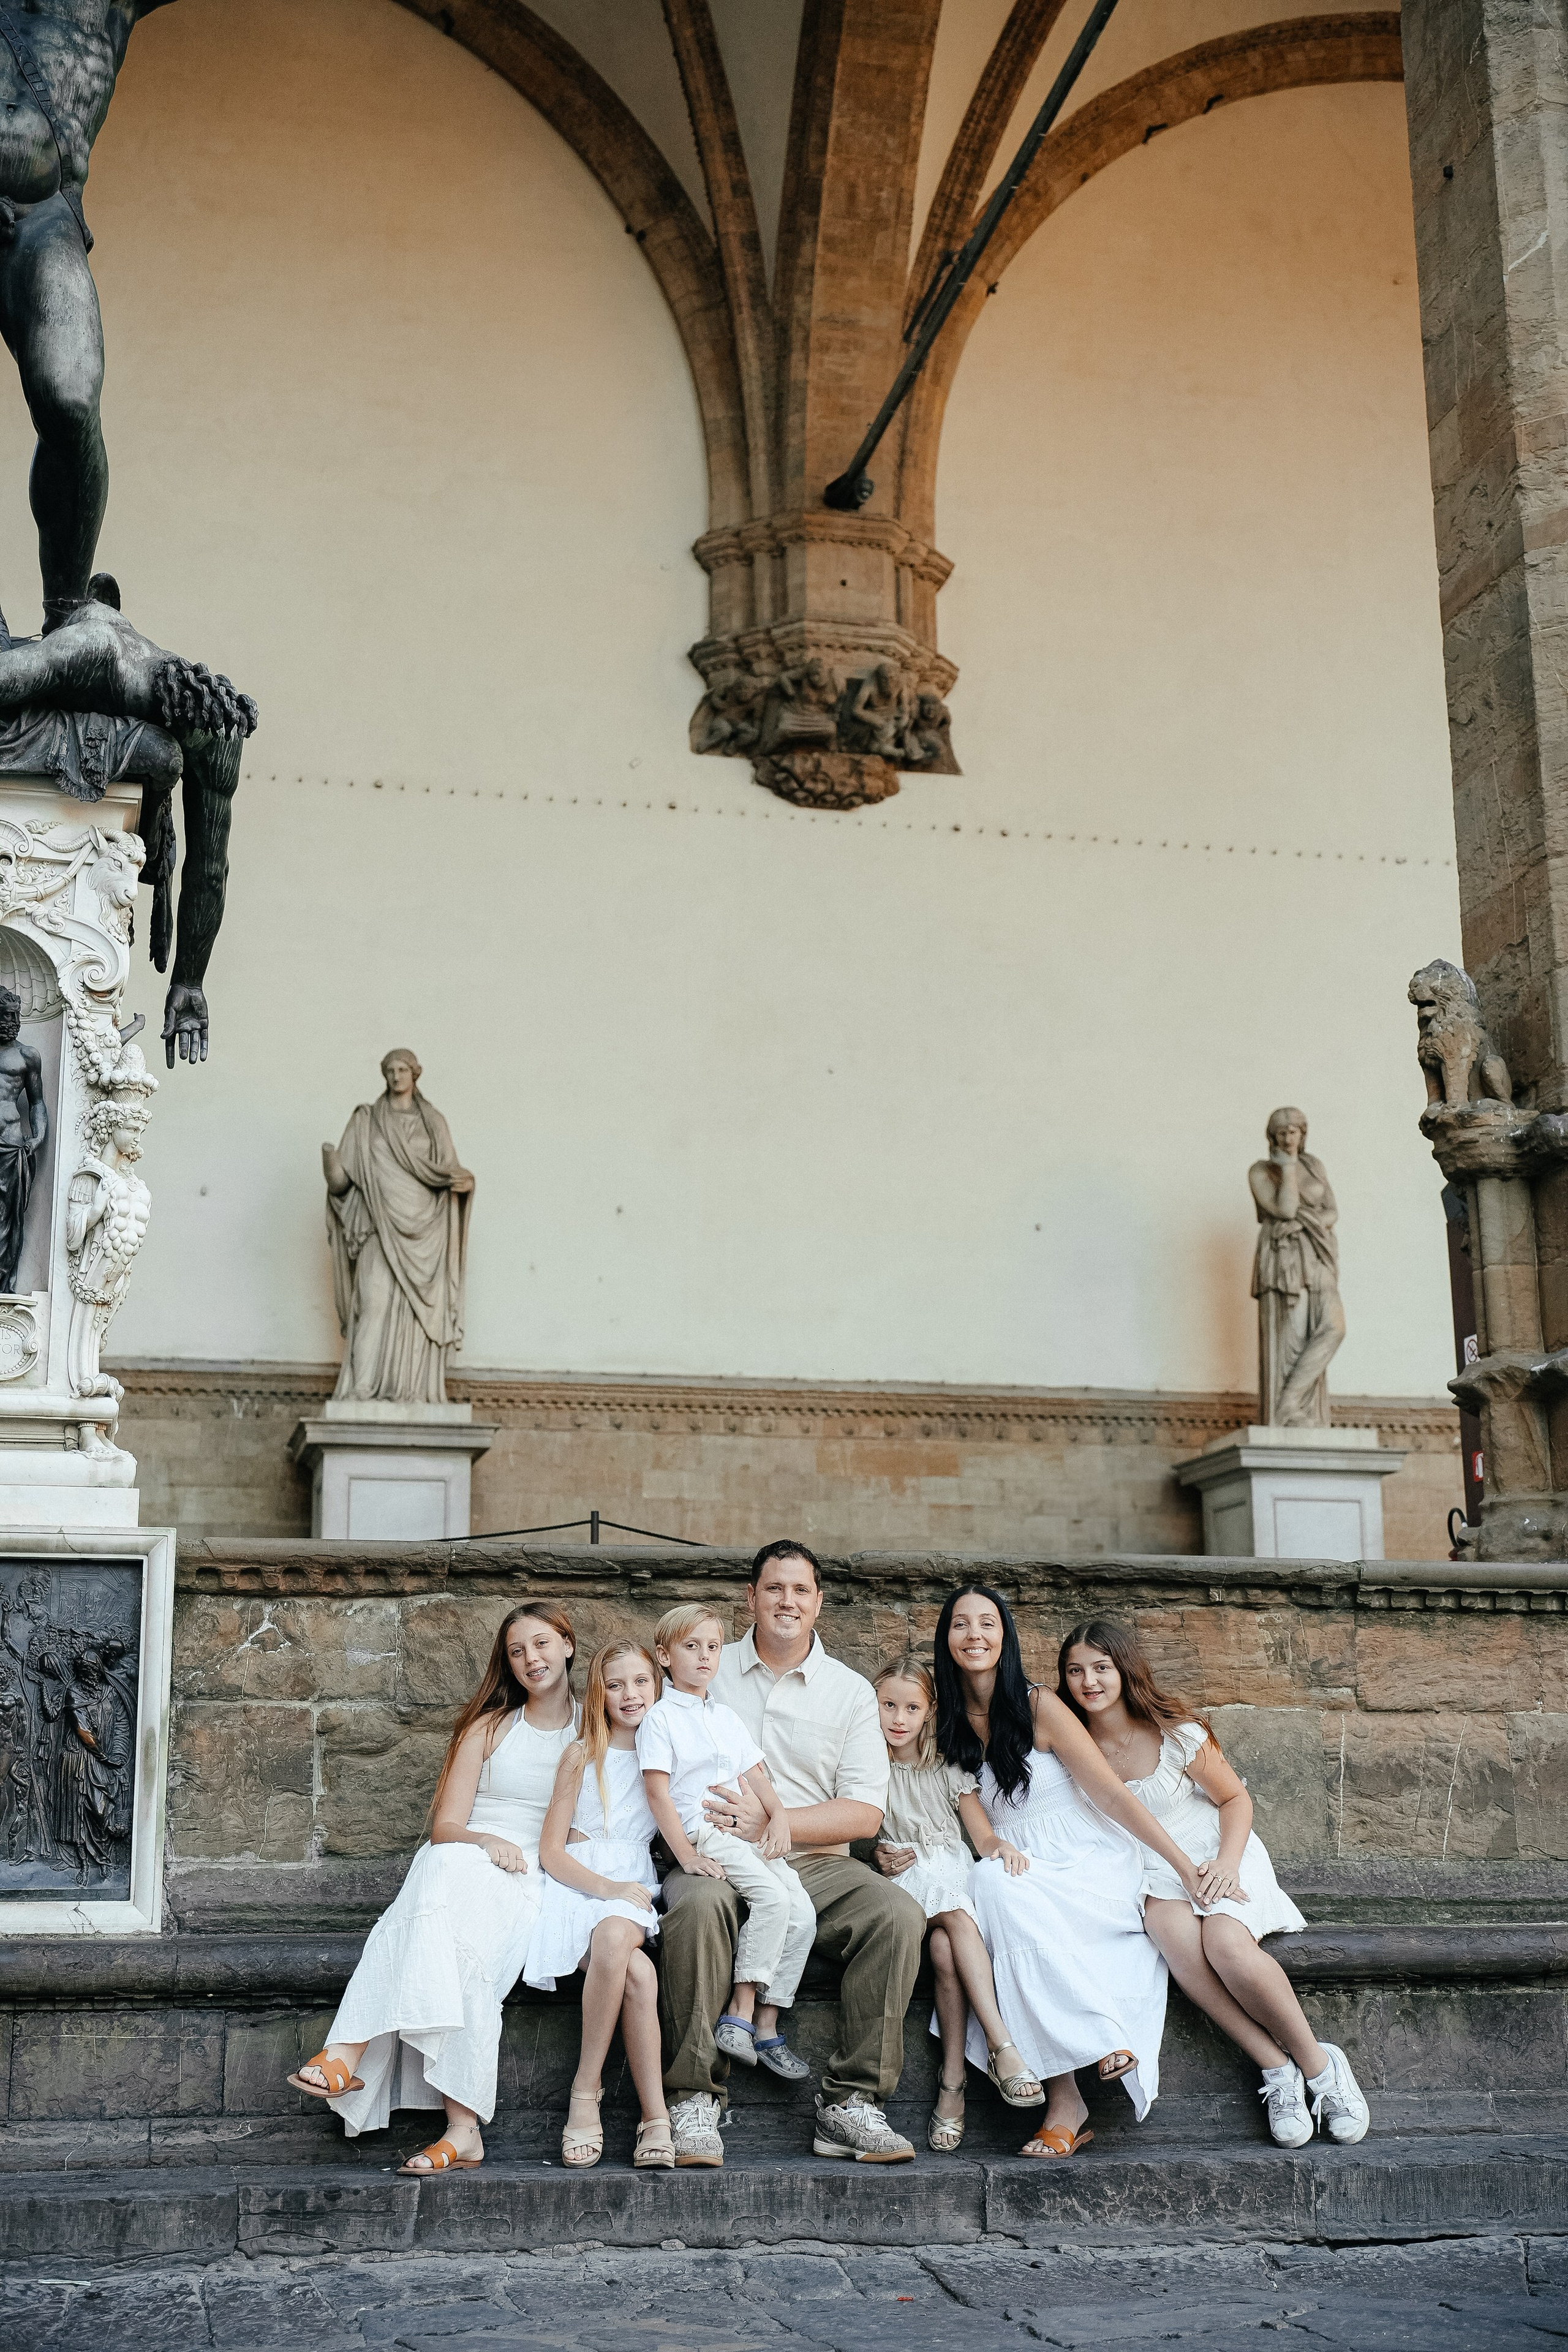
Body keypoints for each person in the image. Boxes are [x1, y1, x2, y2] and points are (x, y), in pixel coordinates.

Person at [284, 1602, 578, 2177]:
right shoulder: (489, 1727)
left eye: (541, 1644)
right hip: (469, 1851)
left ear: (567, 1644)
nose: (530, 1659)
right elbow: (447, 1825)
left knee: (457, 1930)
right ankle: (461, 2128)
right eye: (517, 1652)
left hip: (532, 1872)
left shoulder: (591, 1731)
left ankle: (350, 2050)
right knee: (439, 1867)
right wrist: (484, 1840)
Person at [658, 1539, 924, 2166]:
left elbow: (864, 1812)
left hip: (817, 1860)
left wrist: (773, 1822)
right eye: (774, 1588)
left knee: (897, 1916)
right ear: (749, 1598)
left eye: (800, 1590)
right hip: (712, 1855)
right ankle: (694, 2097)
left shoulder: (851, 1691)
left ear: (818, 1604)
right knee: (696, 1909)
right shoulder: (705, 1665)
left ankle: (851, 2104)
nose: (787, 1600)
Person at [1058, 1618, 1370, 2149]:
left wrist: (1227, 1862)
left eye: (1102, 1668)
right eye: (1075, 1671)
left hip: (1215, 1849)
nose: (1089, 1681)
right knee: (1179, 1946)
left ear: (1125, 1669)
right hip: (1152, 1870)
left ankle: (1321, 2068)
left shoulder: (1176, 1732)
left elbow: (1235, 1800)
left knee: (1226, 1943)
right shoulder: (1072, 1745)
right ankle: (1276, 2068)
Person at [937, 1583, 1205, 2159]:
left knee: (1006, 1895)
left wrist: (1181, 1864)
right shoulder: (945, 1720)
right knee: (994, 1887)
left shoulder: (1039, 1705)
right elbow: (952, 1809)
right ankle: (1083, 2066)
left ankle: (1071, 2093)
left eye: (987, 1623)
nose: (975, 1635)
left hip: (1087, 1857)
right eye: (961, 1625)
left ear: (1004, 1635)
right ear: (947, 1638)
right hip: (1016, 1861)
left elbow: (1110, 1796)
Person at [870, 1656, 1043, 2152]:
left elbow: (981, 1834)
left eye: (911, 1707)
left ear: (929, 1712)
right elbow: (858, 1828)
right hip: (905, 1879)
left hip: (947, 1869)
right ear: (872, 1706)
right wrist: (875, 1853)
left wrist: (999, 1848)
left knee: (946, 1949)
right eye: (888, 1706)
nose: (898, 1719)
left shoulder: (947, 1765)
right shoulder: (865, 1764)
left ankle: (952, 2086)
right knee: (951, 1914)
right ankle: (1001, 2044)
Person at [638, 1604, 814, 2082]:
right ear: (665, 1656)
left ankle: (767, 2023)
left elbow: (753, 1771)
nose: (704, 1657)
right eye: (691, 1647)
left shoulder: (724, 1715)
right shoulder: (661, 1719)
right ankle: (737, 2014)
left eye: (713, 1647)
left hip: (742, 1831)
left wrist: (778, 1816)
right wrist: (688, 1855)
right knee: (773, 1898)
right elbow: (657, 1793)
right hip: (705, 1830)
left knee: (802, 1911)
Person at [529, 1640, 674, 2171]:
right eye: (615, 1685)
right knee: (638, 1973)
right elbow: (551, 1852)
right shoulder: (581, 1754)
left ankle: (586, 2096)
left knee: (618, 1937)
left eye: (641, 1682)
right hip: (578, 1889)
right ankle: (651, 2116)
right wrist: (605, 1888)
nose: (630, 1694)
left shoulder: (669, 1755)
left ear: (658, 1686)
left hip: (632, 1889)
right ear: (599, 1694)